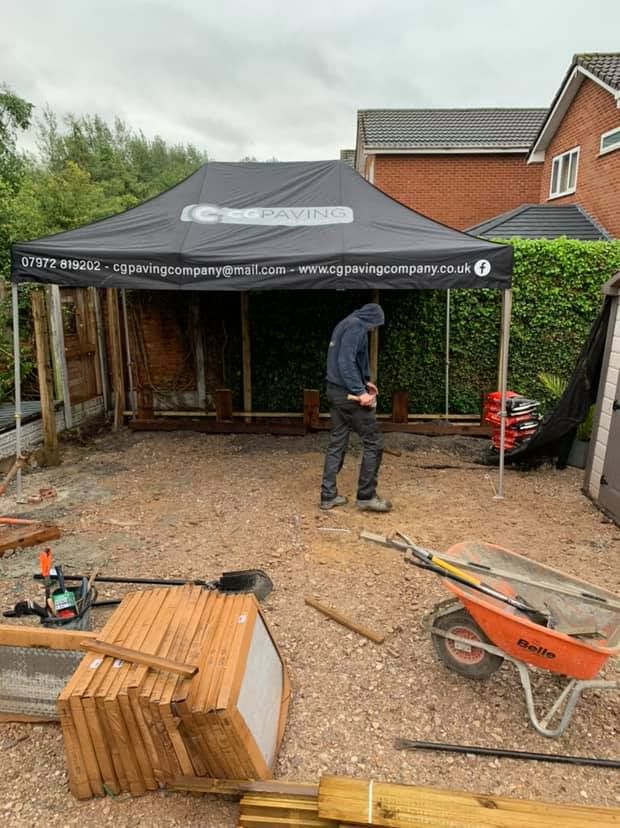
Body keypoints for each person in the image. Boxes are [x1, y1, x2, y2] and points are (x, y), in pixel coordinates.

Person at [320, 303, 392, 512]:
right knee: (374, 442)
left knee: (337, 443)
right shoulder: (356, 327)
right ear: (370, 320)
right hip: (347, 395)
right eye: (374, 326)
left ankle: (328, 496)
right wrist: (360, 393)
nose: (373, 330)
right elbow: (345, 361)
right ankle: (366, 496)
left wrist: (365, 382)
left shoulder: (345, 323)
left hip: (334, 391)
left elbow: (346, 360)